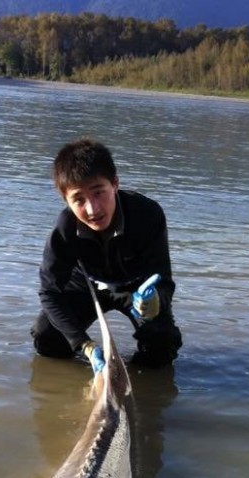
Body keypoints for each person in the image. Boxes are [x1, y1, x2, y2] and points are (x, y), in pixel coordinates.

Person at [32, 138, 182, 372]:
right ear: (66, 200)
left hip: (136, 290)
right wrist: (85, 345)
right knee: (47, 338)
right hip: (86, 284)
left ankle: (139, 378)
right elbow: (50, 293)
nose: (93, 209)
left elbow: (164, 281)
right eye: (78, 199)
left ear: (115, 184)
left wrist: (154, 303)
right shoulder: (64, 228)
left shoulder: (148, 214)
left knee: (162, 349)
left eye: (99, 192)